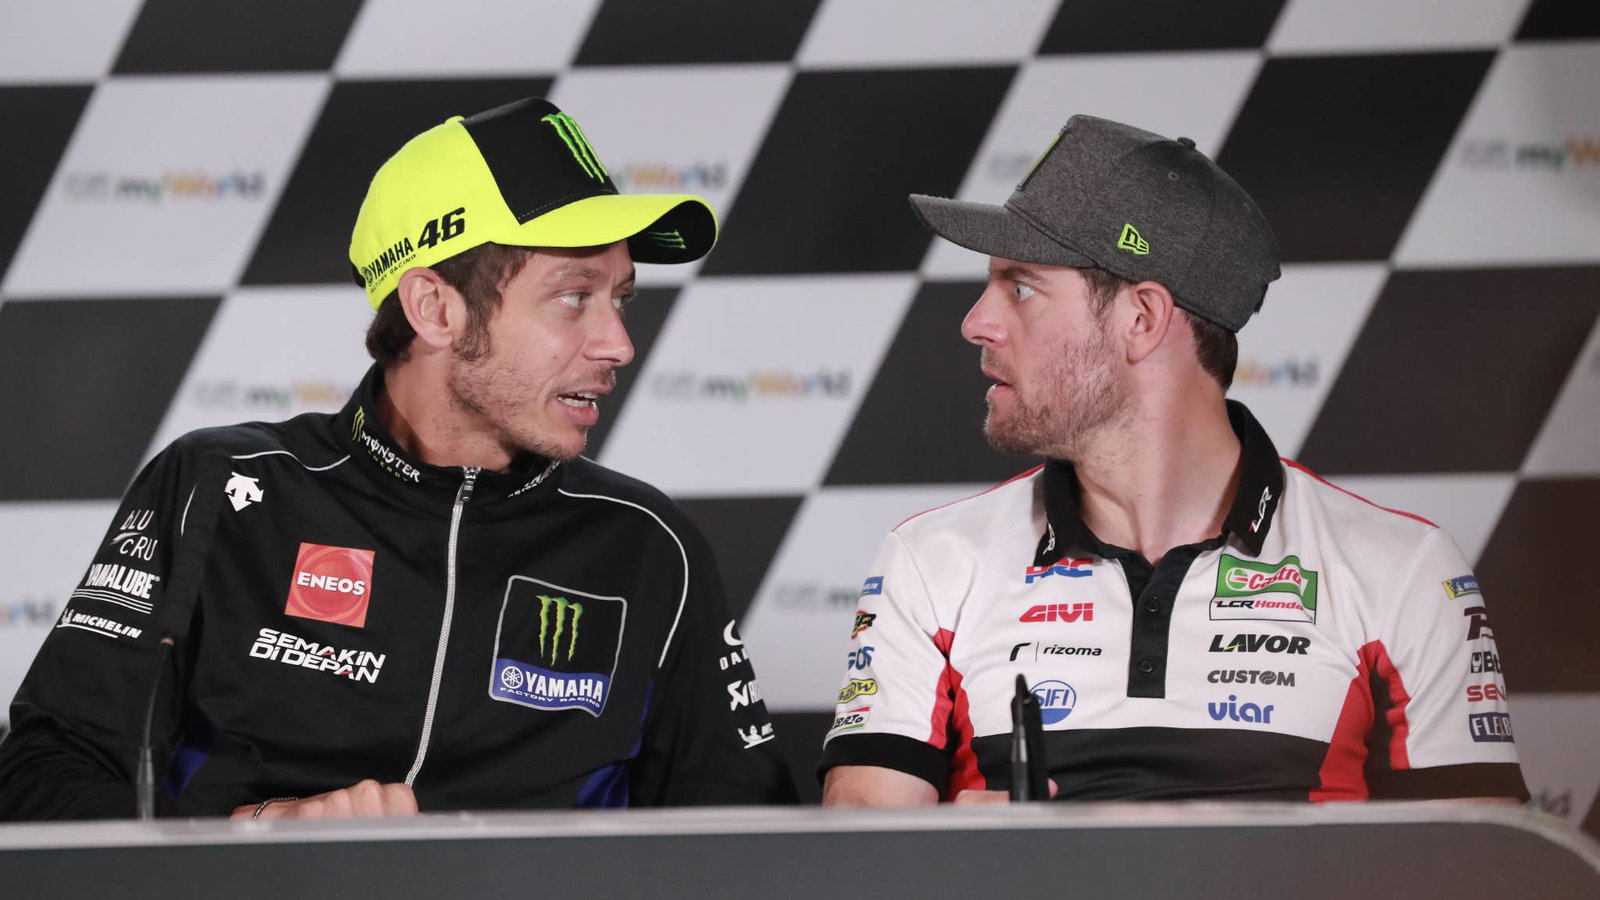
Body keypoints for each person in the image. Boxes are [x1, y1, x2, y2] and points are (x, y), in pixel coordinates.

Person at [0, 97, 796, 819]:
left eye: (621, 298)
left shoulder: (651, 547)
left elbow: (746, 844)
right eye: (573, 297)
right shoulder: (223, 486)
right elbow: (39, 780)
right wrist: (251, 838)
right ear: (434, 308)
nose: (618, 344)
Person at [819, 114, 1526, 806]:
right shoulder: (932, 560)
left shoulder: (1400, 567)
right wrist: (959, 853)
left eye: (1022, 287)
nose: (977, 322)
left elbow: (1477, 862)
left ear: (1143, 319)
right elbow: (860, 850)